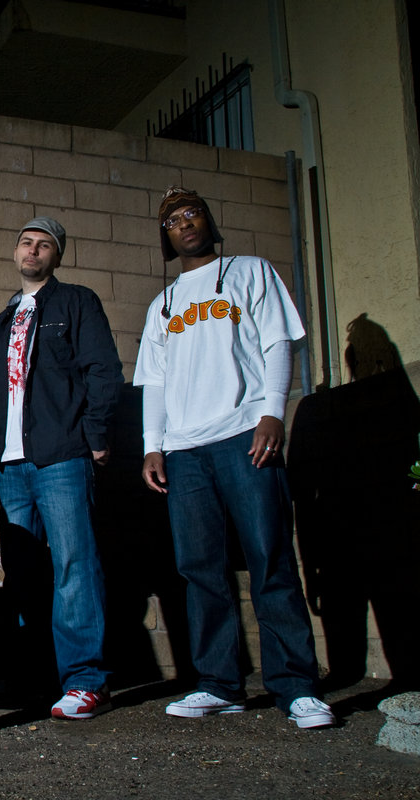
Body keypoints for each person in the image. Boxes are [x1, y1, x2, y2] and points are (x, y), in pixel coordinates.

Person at [134, 186, 334, 729]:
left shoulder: (250, 271)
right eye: (173, 220)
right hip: (184, 450)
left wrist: (273, 411)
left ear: (208, 220)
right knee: (200, 569)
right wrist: (153, 444)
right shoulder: (163, 304)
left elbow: (276, 343)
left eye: (192, 213)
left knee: (270, 557)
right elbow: (155, 381)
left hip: (245, 434)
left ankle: (296, 687)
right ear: (166, 237)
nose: (185, 223)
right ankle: (219, 684)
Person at [0, 216, 122, 720]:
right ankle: (35, 681)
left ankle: (86, 682)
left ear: (56, 256)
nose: (33, 250)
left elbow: (103, 370)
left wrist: (96, 435)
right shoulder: (7, 316)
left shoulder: (76, 302)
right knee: (24, 574)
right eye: (26, 242)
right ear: (15, 251)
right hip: (13, 464)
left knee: (73, 567)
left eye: (44, 245)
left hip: (61, 456)